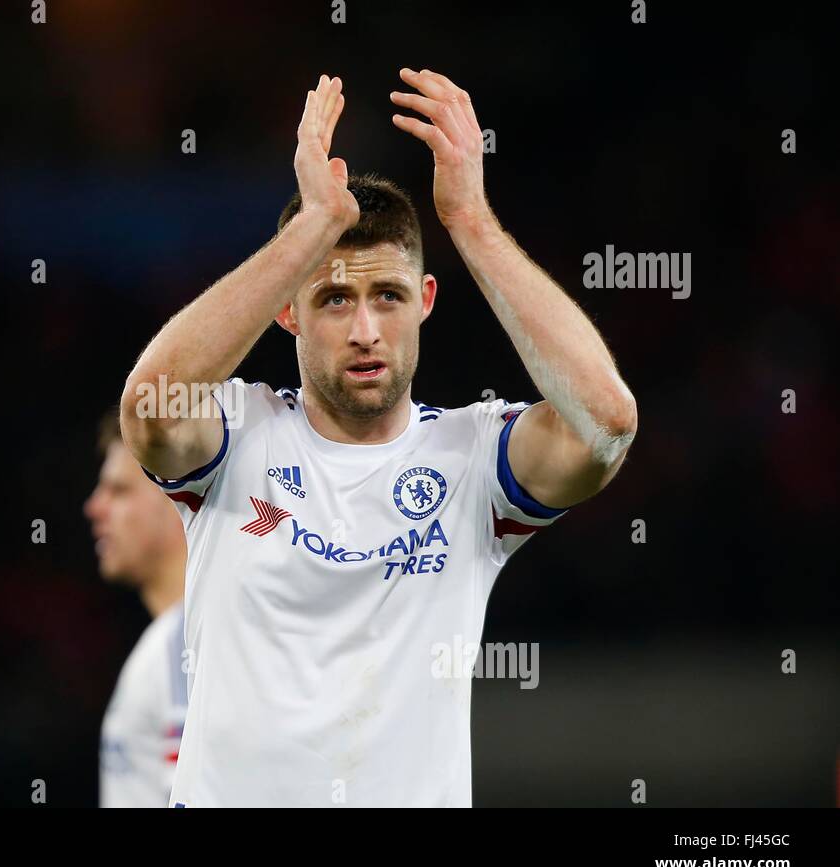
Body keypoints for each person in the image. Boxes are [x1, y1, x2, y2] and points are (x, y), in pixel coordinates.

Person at [119, 71, 638, 807]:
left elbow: (606, 422)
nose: (365, 331)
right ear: (287, 313)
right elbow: (148, 408)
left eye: (388, 296)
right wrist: (308, 234)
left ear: (425, 302)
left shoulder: (472, 465)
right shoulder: (238, 438)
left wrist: (472, 223)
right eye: (333, 299)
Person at [84, 409, 188, 807]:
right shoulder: (168, 642)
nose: (94, 507)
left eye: (119, 490)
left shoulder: (189, 642)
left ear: (178, 497)